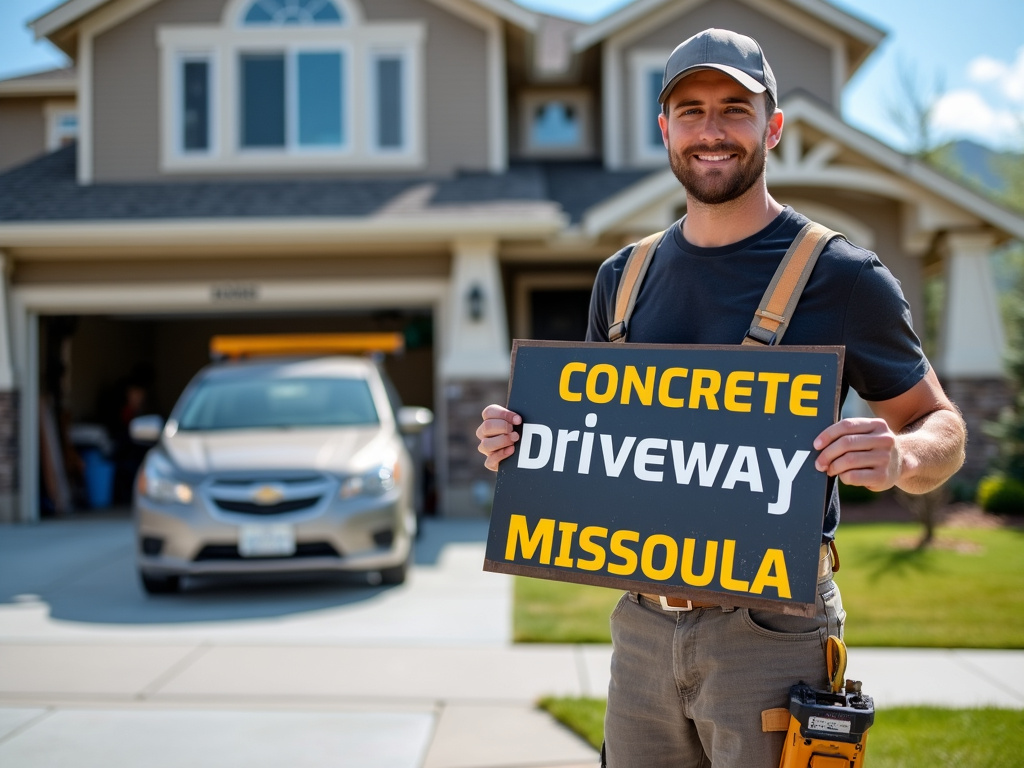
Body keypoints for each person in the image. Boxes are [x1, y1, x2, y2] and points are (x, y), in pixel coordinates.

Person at [476, 27, 966, 768]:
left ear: (772, 126)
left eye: (735, 109)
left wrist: (901, 454)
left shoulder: (845, 277)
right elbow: (600, 450)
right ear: (664, 128)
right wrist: (524, 449)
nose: (712, 131)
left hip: (774, 632)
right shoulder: (623, 277)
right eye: (692, 109)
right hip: (641, 625)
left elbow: (942, 425)